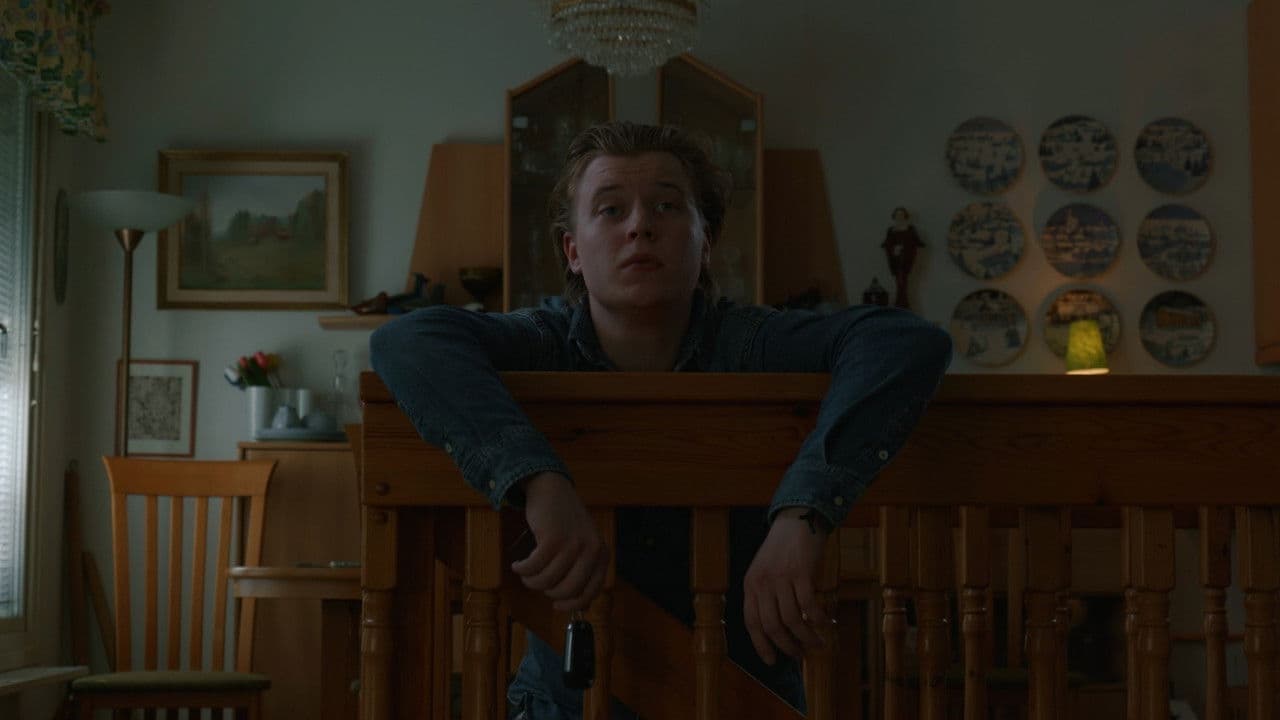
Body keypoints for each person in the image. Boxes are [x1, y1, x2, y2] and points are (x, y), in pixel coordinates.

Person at [370, 121, 951, 719]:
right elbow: (407, 341)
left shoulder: (749, 341)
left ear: (706, 244)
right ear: (573, 251)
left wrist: (804, 517)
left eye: (667, 206)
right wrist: (539, 482)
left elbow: (904, 341)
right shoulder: (543, 342)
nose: (640, 226)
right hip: (566, 705)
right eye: (610, 209)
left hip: (744, 700)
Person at [881, 207, 924, 309]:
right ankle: (901, 305)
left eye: (901, 215)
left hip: (906, 261)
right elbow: (887, 244)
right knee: (899, 283)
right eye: (897, 215)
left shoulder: (910, 229)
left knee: (903, 283)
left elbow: (915, 243)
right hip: (896, 261)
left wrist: (904, 248)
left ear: (905, 216)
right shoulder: (891, 230)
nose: (899, 217)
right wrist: (894, 249)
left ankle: (902, 306)